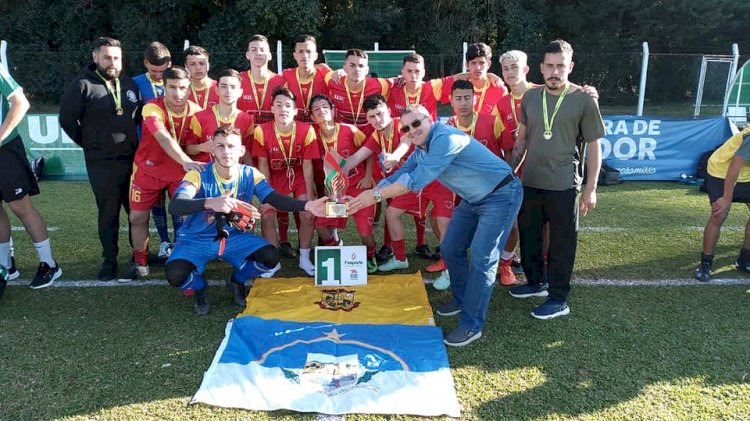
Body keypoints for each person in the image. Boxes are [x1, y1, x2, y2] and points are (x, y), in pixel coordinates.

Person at [348, 104, 522, 347]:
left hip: (501, 194)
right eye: (406, 128)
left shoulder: (445, 138)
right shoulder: (421, 148)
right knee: (450, 248)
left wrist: (375, 196)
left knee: (483, 259)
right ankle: (461, 299)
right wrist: (364, 196)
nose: (412, 130)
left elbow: (414, 181)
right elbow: (402, 172)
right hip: (474, 199)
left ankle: (472, 326)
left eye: (417, 123)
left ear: (430, 119)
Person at [166, 126, 328, 315]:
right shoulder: (198, 173)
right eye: (220, 146)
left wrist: (307, 205)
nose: (226, 151)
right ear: (212, 149)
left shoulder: (250, 174)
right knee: (175, 275)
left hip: (234, 238)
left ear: (241, 150)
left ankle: (236, 281)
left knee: (270, 257)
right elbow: (176, 205)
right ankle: (200, 287)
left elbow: (272, 197)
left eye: (231, 146)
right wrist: (211, 202)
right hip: (197, 239)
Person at [509, 39, 604, 320]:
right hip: (531, 181)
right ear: (540, 67)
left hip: (564, 184)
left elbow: (595, 147)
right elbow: (521, 140)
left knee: (563, 244)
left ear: (570, 66)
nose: (554, 71)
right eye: (549, 66)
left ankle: (559, 299)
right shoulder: (529, 98)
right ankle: (536, 282)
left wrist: (591, 189)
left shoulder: (584, 99)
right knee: (530, 237)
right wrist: (509, 172)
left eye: (560, 66)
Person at [60, 36, 141, 281]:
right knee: (108, 213)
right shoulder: (82, 85)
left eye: (116, 57)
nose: (112, 62)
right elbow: (66, 120)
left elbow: (135, 118)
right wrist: (91, 144)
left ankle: (138, 258)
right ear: (96, 57)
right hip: (102, 163)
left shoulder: (128, 83)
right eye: (106, 57)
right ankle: (109, 261)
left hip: (131, 160)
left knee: (136, 212)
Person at [122, 66, 203, 281]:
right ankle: (140, 261)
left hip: (180, 173)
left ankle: (186, 258)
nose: (178, 93)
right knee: (137, 217)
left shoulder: (196, 112)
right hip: (148, 170)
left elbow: (194, 145)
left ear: (190, 88)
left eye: (183, 88)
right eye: (172, 87)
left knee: (188, 217)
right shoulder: (151, 108)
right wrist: (186, 160)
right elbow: (163, 137)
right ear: (163, 87)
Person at [444, 79, 515, 286]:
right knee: (457, 228)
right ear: (451, 101)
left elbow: (508, 148)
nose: (463, 103)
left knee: (512, 227)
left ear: (474, 99)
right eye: (458, 98)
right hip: (464, 192)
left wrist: (508, 173)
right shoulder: (447, 127)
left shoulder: (491, 121)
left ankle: (505, 263)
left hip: (495, 191)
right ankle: (453, 265)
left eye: (467, 97)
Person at [0, 64, 62, 297]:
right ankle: (5, 265)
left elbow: (21, 103)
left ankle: (49, 264)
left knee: (20, 206)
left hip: (5, 149)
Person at [252, 87, 320, 276]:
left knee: (307, 214)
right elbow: (263, 165)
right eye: (279, 105)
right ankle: (273, 261)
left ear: (296, 110)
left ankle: (305, 258)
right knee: (266, 214)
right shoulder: (261, 130)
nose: (284, 109)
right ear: (272, 108)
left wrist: (310, 198)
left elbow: (307, 166)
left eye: (288, 106)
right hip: (274, 177)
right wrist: (265, 196)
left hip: (297, 175)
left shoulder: (307, 130)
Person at [308, 94, 378, 273]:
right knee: (320, 222)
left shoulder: (350, 130)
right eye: (316, 109)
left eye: (325, 107)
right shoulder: (313, 137)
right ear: (312, 117)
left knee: (364, 231)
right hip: (337, 196)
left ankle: (370, 255)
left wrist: (368, 176)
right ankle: (335, 246)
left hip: (358, 192)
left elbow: (370, 150)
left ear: (332, 111)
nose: (321, 111)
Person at [132, 41, 175, 260]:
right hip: (149, 154)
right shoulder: (135, 84)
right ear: (145, 63)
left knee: (178, 201)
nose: (159, 75)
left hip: (177, 152)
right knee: (156, 201)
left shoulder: (178, 81)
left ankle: (178, 242)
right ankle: (164, 242)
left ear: (170, 63)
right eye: (154, 70)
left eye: (163, 70)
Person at [695, 127, 750, 282]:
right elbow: (735, 166)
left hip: (746, 173)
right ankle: (706, 262)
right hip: (722, 171)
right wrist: (726, 197)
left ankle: (745, 259)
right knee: (719, 214)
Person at [185, 68, 254, 164]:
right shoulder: (200, 117)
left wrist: (250, 175)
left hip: (234, 174)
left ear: (240, 92)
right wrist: (202, 147)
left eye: (233, 87)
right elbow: (188, 149)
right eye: (224, 86)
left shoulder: (247, 119)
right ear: (217, 90)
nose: (228, 91)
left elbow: (247, 151)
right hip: (207, 173)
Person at [442, 43, 508, 115]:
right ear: (467, 65)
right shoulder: (456, 86)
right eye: (473, 63)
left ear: (488, 64)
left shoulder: (500, 89)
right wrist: (461, 75)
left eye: (481, 63)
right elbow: (432, 88)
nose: (478, 68)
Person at [184, 46, 219, 110]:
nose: (198, 68)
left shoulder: (219, 88)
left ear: (208, 65)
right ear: (186, 67)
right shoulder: (182, 89)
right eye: (192, 64)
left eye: (202, 63)